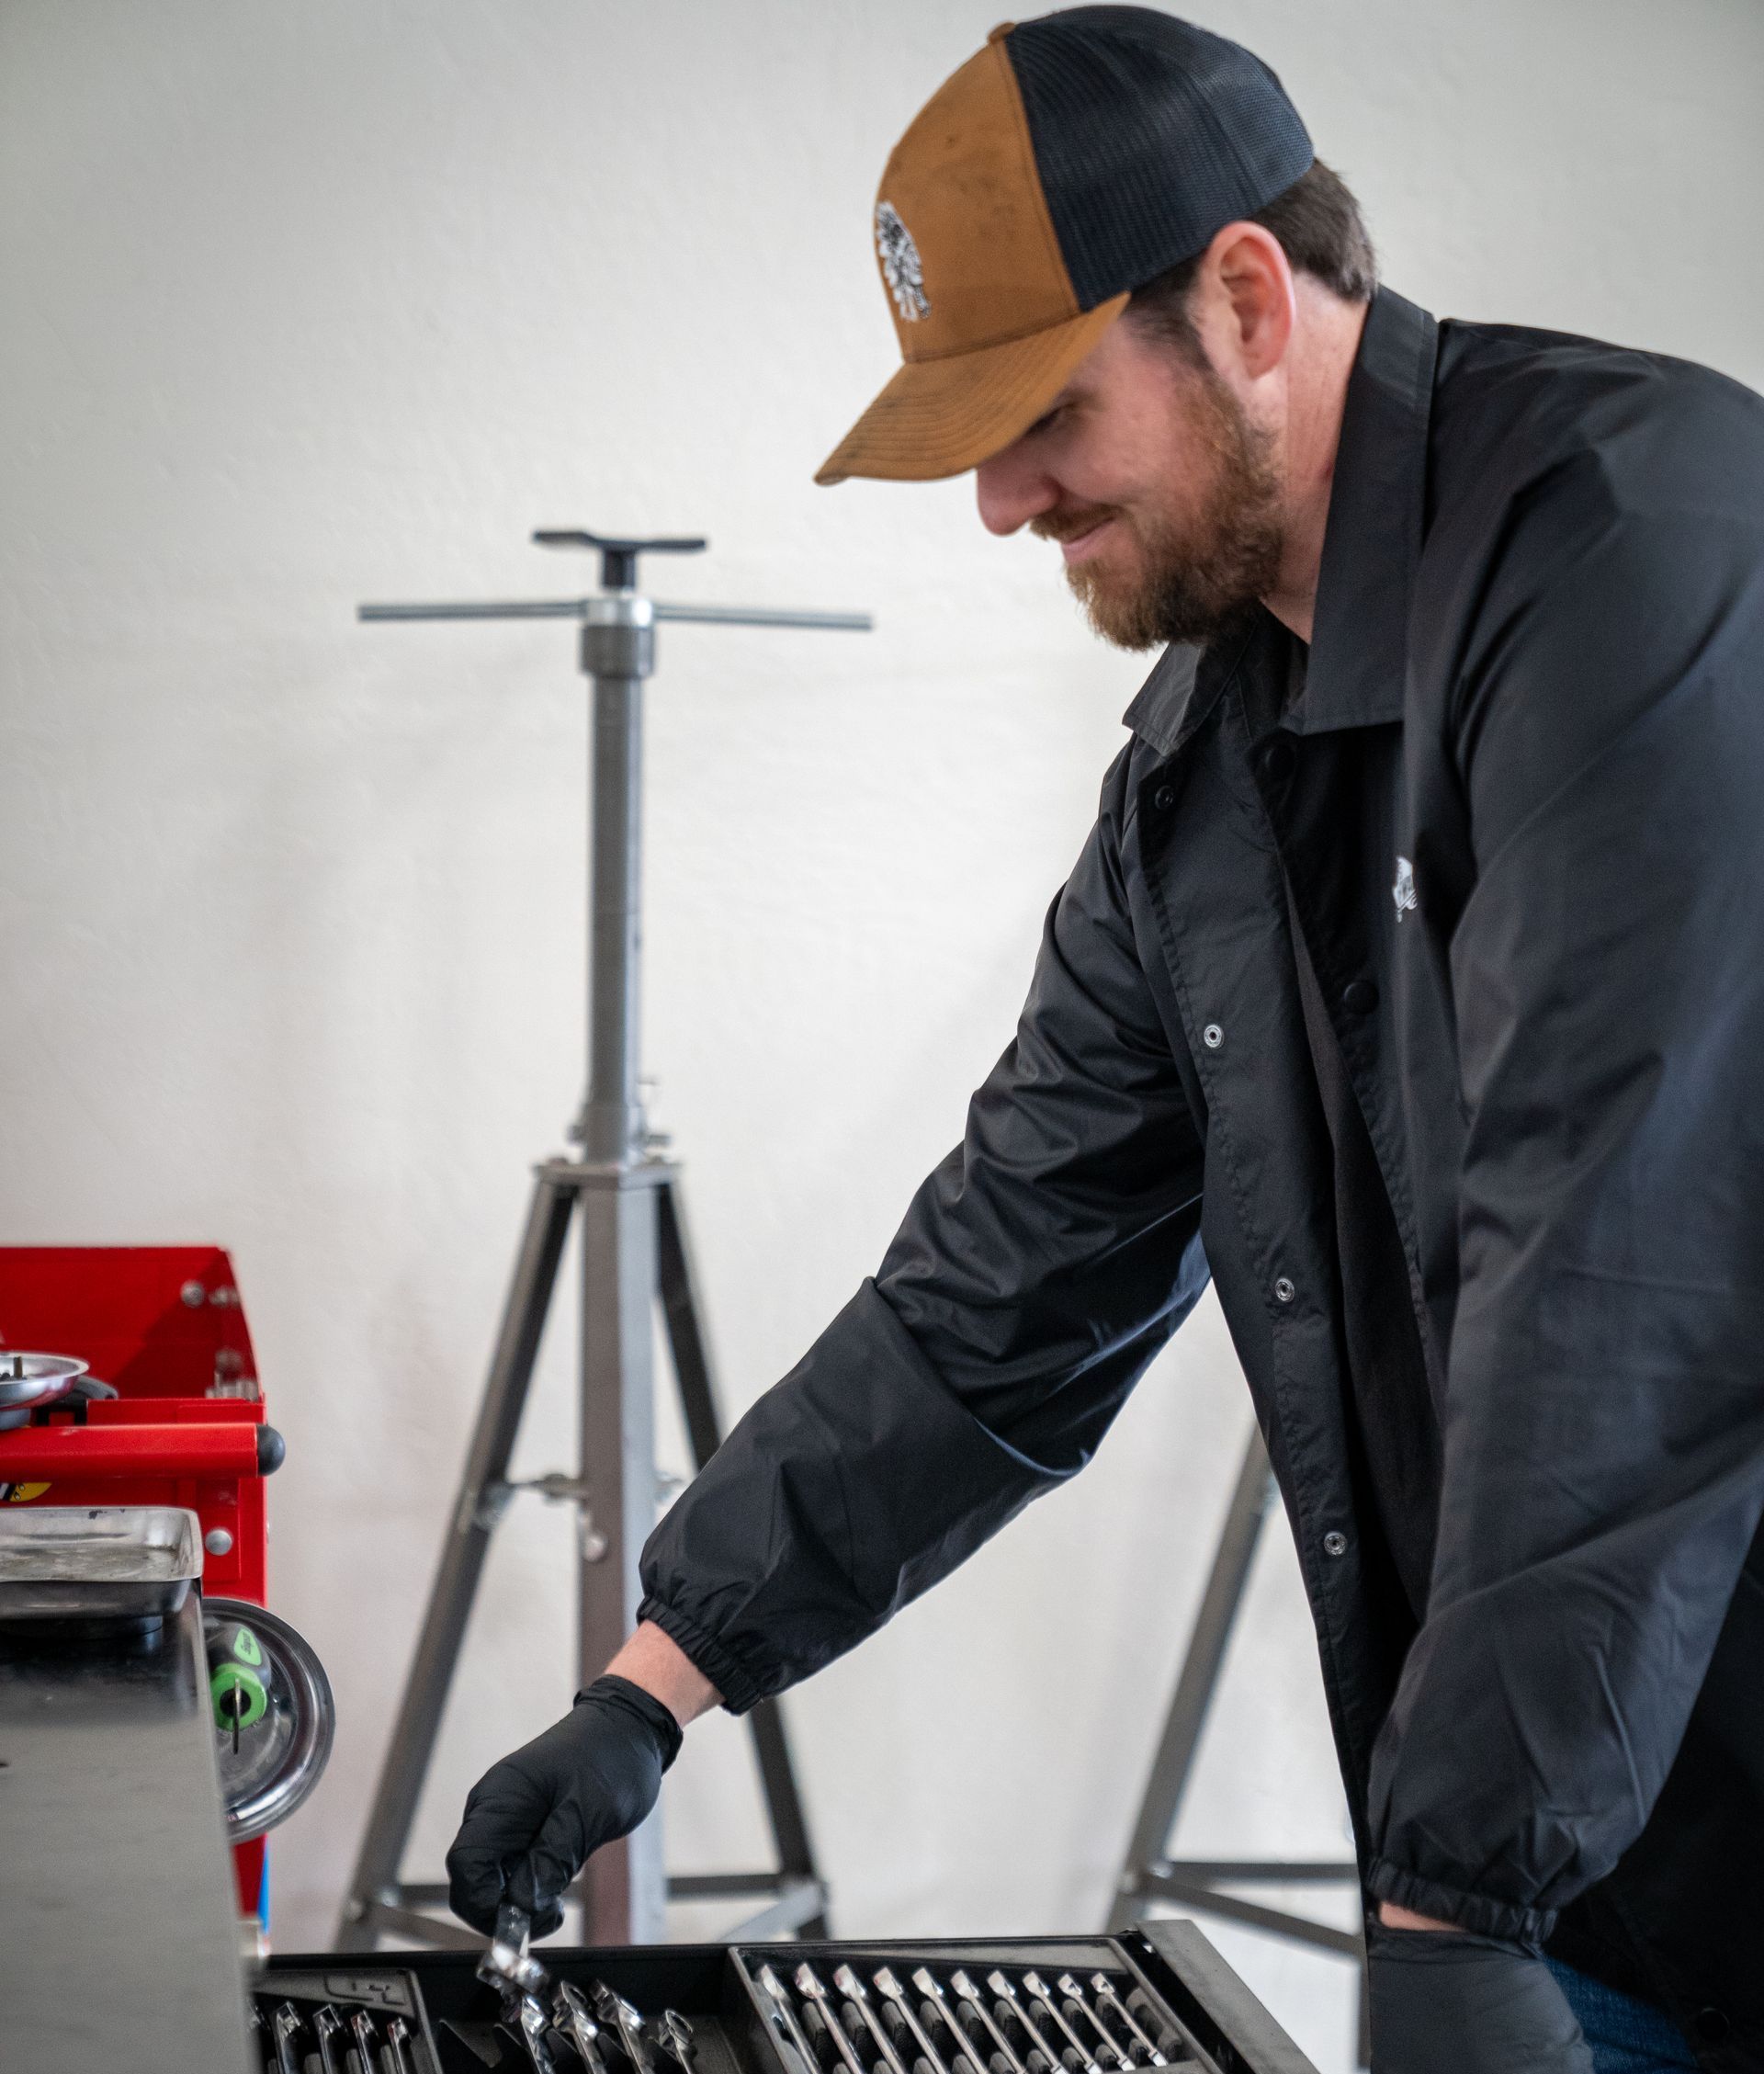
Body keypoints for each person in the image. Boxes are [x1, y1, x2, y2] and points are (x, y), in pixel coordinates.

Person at [446, 12, 1764, 2070]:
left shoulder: (1635, 546)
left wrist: (1447, 1903)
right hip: (1585, 1871)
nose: (993, 504)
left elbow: (1622, 1266)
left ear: (1244, 299)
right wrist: (660, 1672)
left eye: (1042, 411)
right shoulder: (1205, 766)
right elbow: (1006, 1278)